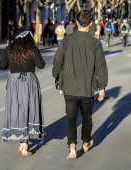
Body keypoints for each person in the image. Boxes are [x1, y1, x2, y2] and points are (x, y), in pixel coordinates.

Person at [52, 10, 108, 159]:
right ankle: (85, 141)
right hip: (87, 87)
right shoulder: (95, 43)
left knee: (70, 117)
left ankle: (72, 147)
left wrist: (56, 75)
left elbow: (57, 61)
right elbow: (101, 66)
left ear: (77, 22)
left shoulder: (67, 40)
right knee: (87, 117)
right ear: (90, 24)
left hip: (69, 86)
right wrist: (102, 87)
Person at [0, 27, 45, 157]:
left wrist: (12, 64)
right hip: (29, 82)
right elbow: (41, 65)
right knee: (29, 110)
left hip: (14, 83)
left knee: (18, 111)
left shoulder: (9, 49)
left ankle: (21, 141)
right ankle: (25, 146)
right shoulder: (32, 49)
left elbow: (1, 66)